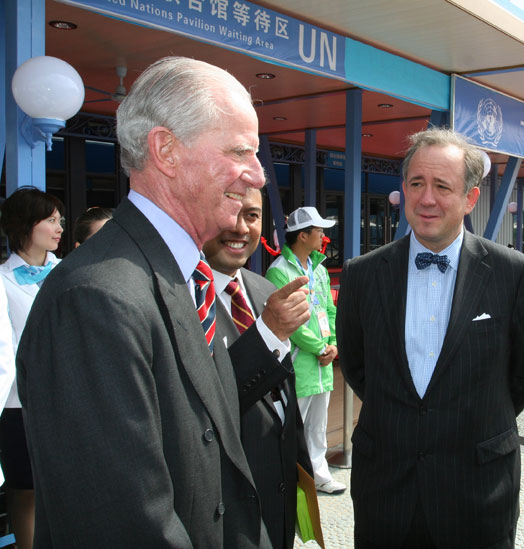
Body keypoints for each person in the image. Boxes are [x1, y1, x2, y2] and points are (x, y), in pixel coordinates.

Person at [16, 56, 311, 547]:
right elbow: (123, 524)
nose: (258, 175)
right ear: (166, 151)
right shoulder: (94, 299)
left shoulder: (183, 276)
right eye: (241, 151)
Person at [337, 128, 524, 548]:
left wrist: (475, 415)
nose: (426, 198)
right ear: (404, 188)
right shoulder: (362, 274)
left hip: (477, 491)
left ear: (470, 198)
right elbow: (359, 367)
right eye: (417, 184)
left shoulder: (514, 274)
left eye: (442, 186)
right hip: (386, 491)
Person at [203, 187, 313, 549]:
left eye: (251, 216)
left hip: (277, 495)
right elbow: (206, 402)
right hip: (226, 502)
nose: (240, 228)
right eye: (227, 212)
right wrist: (268, 333)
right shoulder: (184, 297)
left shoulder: (263, 287)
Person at [0, 188, 64, 549]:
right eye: (50, 220)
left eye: (60, 220)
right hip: (18, 405)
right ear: (26, 225)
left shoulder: (70, 271)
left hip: (66, 400)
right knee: (24, 490)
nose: (59, 228)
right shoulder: (2, 281)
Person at [265, 206, 343, 495]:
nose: (323, 235)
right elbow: (291, 324)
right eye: (318, 230)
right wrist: (322, 347)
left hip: (322, 363)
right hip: (298, 363)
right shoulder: (279, 272)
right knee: (293, 427)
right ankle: (293, 480)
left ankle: (319, 477)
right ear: (302, 235)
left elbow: (330, 310)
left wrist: (334, 344)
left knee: (317, 426)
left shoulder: (319, 270)